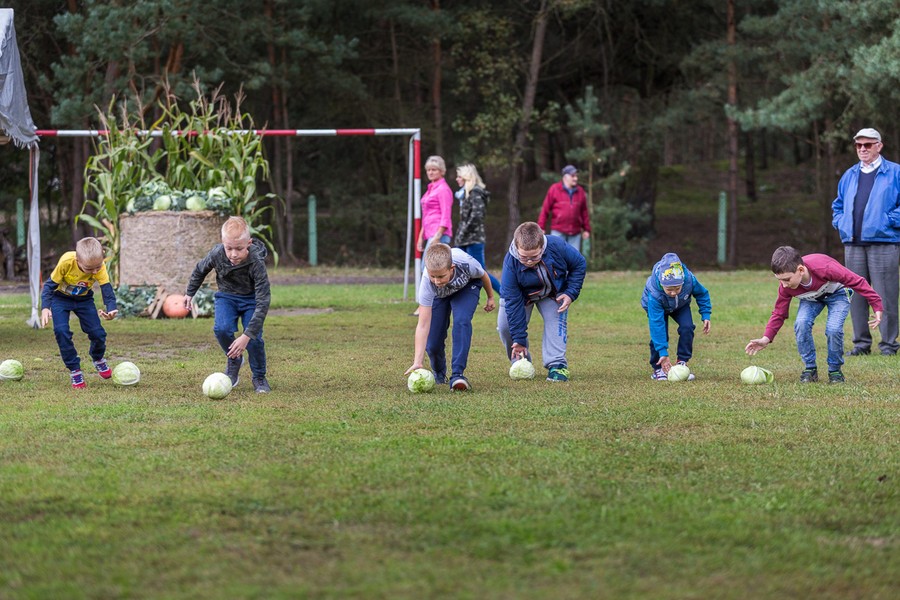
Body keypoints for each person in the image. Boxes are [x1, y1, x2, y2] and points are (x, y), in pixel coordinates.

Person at [745, 246, 883, 384]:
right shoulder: (786, 287)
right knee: (801, 323)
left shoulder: (825, 268)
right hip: (811, 298)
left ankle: (835, 370)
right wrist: (766, 338)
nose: (784, 285)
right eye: (779, 280)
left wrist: (877, 306)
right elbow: (779, 313)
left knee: (833, 329)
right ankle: (810, 369)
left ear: (800, 270)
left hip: (838, 293)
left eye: (787, 279)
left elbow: (858, 281)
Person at [832, 127, 900, 357]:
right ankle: (861, 344)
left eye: (868, 145)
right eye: (859, 145)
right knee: (856, 296)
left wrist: (889, 220)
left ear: (879, 146)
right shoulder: (850, 174)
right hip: (853, 244)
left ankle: (889, 345)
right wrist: (841, 223)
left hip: (884, 242)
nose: (862, 149)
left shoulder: (895, 172)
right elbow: (838, 205)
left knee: (884, 294)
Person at [184, 216, 272, 393]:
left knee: (254, 340)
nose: (233, 254)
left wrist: (246, 336)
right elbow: (200, 269)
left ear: (249, 243)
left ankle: (259, 377)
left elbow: (263, 301)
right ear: (223, 243)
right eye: (229, 248)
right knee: (221, 329)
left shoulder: (256, 262)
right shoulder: (217, 254)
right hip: (227, 297)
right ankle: (234, 359)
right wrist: (189, 292)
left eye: (239, 249)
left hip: (252, 300)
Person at [498, 221, 586, 382]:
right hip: (521, 297)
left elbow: (579, 263)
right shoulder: (510, 263)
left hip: (552, 294)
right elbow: (513, 301)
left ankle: (557, 366)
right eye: (524, 257)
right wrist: (519, 339)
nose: (529, 261)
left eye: (535, 256)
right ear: (517, 247)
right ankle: (521, 360)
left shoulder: (556, 245)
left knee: (556, 321)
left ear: (542, 248)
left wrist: (570, 293)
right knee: (505, 327)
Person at [405, 243, 496, 391]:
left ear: (451, 268)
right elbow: (423, 324)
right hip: (440, 296)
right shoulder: (427, 283)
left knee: (461, 321)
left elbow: (483, 274)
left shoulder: (467, 264)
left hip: (467, 288)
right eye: (433, 276)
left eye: (441, 276)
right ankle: (439, 374)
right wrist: (418, 361)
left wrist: (490, 297)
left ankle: (458, 375)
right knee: (433, 342)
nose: (437, 281)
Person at [40, 237, 118, 389]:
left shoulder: (99, 266)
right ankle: (75, 370)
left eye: (98, 266)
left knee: (98, 333)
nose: (95, 271)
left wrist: (111, 308)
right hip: (60, 299)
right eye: (89, 269)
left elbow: (107, 290)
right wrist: (45, 308)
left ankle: (98, 358)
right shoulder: (66, 262)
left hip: (84, 300)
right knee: (61, 331)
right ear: (77, 260)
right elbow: (49, 286)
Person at [641, 252, 712, 381]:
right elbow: (657, 325)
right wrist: (663, 352)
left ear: (682, 282)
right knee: (661, 334)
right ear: (662, 284)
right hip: (659, 307)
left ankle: (682, 362)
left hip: (681, 305)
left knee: (687, 327)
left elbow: (702, 294)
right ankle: (658, 368)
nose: (673, 293)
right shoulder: (654, 294)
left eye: (677, 288)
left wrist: (705, 314)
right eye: (669, 289)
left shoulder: (689, 280)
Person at [454, 163, 500, 293]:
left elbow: (476, 216)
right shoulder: (465, 194)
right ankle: (466, 297)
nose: (457, 179)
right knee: (459, 270)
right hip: (463, 239)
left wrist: (463, 232)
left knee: (480, 271)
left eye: (459, 176)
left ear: (467, 177)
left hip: (473, 239)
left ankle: (505, 295)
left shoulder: (475, 193)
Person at [537, 164, 591, 253]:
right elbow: (545, 210)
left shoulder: (580, 191)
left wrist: (586, 229)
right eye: (573, 176)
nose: (576, 178)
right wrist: (541, 227)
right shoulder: (554, 189)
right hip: (558, 231)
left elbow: (584, 212)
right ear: (565, 177)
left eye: (576, 176)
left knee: (573, 260)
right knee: (557, 258)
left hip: (575, 232)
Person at [417, 155, 454, 256]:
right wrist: (420, 237)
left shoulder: (443, 189)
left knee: (428, 269)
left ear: (441, 171)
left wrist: (438, 236)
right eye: (428, 170)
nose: (430, 172)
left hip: (439, 234)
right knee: (426, 268)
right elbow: (426, 216)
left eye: (434, 170)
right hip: (430, 233)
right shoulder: (430, 189)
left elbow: (446, 215)